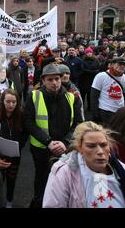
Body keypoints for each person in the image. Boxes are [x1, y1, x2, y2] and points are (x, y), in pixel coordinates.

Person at [43, 121, 125, 208]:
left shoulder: (121, 169)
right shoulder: (65, 172)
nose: (100, 151)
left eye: (103, 145)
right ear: (79, 148)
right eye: (91, 146)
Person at [24, 63, 83, 208]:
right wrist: (49, 142)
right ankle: (39, 202)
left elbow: (78, 123)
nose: (54, 82)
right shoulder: (33, 96)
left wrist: (64, 142)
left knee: (64, 179)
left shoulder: (72, 97)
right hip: (41, 148)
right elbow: (28, 122)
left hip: (65, 148)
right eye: (50, 79)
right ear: (43, 80)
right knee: (42, 178)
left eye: (57, 78)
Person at [0, 89, 28, 208]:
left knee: (11, 180)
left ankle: (9, 201)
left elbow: (25, 134)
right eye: (8, 101)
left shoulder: (21, 116)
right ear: (2, 101)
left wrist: (20, 145)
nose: (11, 105)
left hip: (15, 155)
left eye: (14, 102)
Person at [91, 57, 125, 125]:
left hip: (119, 111)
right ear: (112, 64)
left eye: (124, 65)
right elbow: (94, 96)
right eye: (119, 64)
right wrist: (95, 114)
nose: (122, 66)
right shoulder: (101, 76)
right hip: (104, 110)